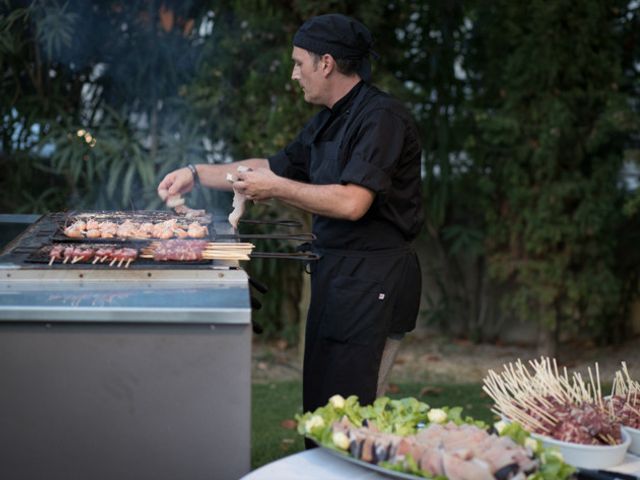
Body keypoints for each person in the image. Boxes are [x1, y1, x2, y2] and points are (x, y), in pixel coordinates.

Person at [158, 13, 423, 426]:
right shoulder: (329, 118)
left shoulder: (381, 118)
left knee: (353, 418)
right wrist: (195, 175)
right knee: (322, 406)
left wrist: (276, 188)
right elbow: (271, 166)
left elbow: (354, 202)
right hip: (337, 276)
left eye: (299, 63)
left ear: (327, 63)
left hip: (374, 281)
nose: (294, 74)